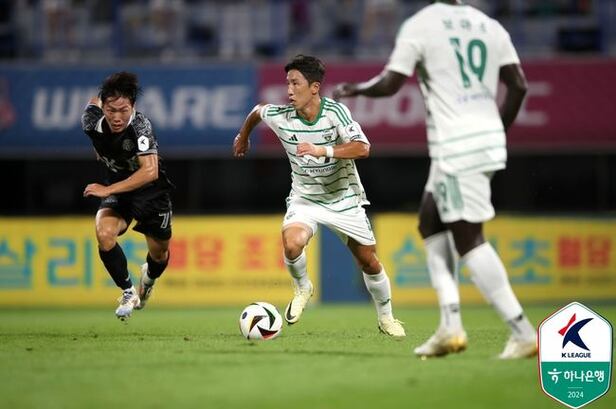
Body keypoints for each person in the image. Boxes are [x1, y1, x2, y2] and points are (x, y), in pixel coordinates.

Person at [333, 0, 537, 359]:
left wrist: (357, 88)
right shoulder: (489, 25)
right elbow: (518, 85)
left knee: (469, 237)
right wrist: (494, 130)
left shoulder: (421, 24)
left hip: (457, 145)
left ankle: (522, 332)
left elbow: (391, 83)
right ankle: (450, 326)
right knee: (430, 221)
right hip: (480, 141)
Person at [233, 54, 405, 337]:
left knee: (369, 262)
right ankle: (303, 288)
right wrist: (243, 137)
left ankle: (386, 318)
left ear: (314, 87)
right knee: (292, 244)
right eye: (287, 83)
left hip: (343, 198)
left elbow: (363, 148)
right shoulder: (281, 116)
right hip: (306, 199)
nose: (289, 90)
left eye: (295, 83)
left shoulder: (335, 113)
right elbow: (257, 111)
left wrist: (321, 150)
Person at [82, 71, 173, 321]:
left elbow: (150, 171)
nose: (117, 117)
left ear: (133, 107)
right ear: (103, 107)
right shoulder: (90, 121)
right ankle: (128, 292)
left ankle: (148, 280)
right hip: (121, 190)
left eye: (123, 110)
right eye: (111, 110)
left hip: (151, 192)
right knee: (104, 234)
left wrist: (107, 190)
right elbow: (94, 102)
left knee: (159, 255)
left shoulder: (140, 126)